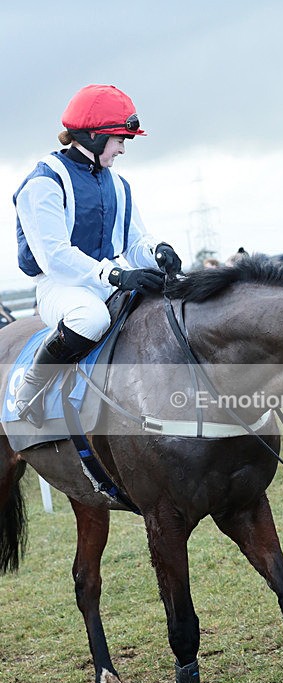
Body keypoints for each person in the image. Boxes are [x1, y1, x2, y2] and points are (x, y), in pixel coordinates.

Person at [13, 84, 180, 428]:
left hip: (103, 279)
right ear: (91, 136)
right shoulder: (43, 182)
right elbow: (54, 257)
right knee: (90, 319)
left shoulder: (117, 184)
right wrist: (117, 276)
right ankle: (29, 389)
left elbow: (134, 243)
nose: (122, 148)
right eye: (119, 139)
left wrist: (158, 252)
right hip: (59, 286)